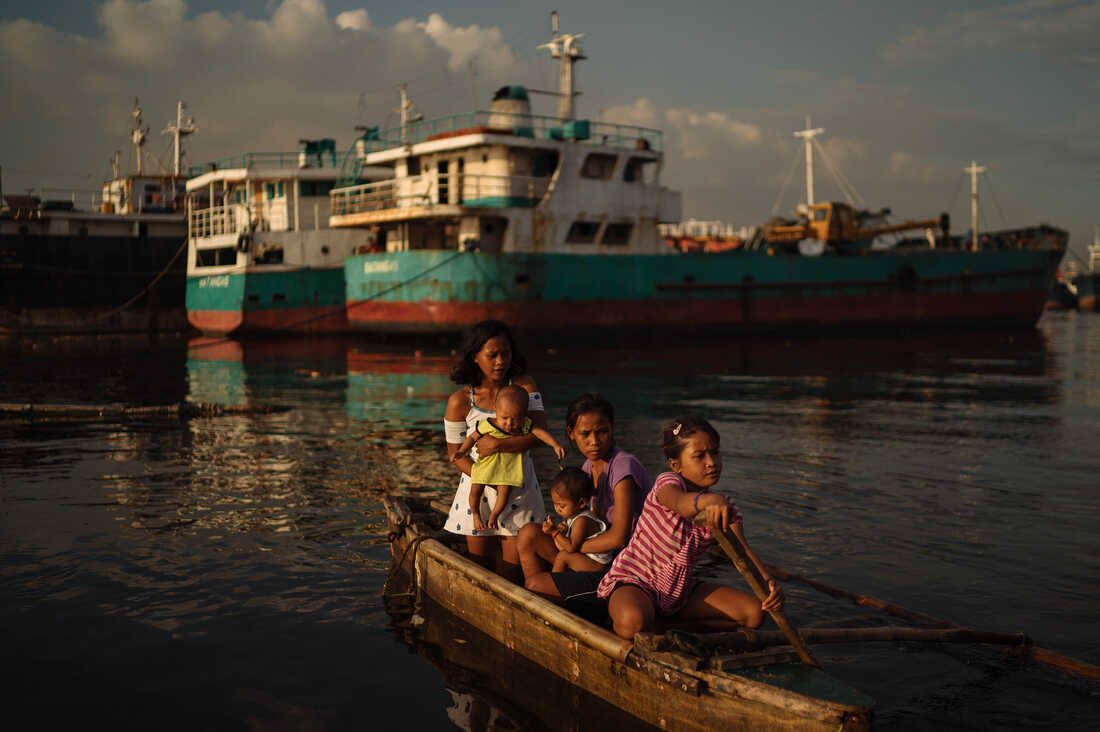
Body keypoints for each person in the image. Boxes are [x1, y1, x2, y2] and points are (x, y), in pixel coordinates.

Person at [597, 415, 784, 639]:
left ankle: (664, 627)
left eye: (714, 453)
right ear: (676, 465)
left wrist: (768, 585)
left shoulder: (724, 507)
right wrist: (706, 502)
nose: (711, 462)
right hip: (636, 581)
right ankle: (642, 622)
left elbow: (741, 554)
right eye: (699, 456)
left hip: (678, 591)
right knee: (633, 623)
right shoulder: (668, 483)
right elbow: (679, 503)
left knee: (754, 614)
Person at [518, 393, 652, 609]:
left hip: (621, 566)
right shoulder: (587, 468)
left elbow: (618, 538)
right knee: (528, 534)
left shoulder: (623, 468)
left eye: (602, 432)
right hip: (594, 555)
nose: (594, 441)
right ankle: (552, 598)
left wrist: (572, 548)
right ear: (571, 434)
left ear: (612, 428)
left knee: (535, 584)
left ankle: (551, 599)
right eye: (585, 434)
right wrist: (563, 532)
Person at [443, 320, 549, 581]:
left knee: (512, 571)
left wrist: (499, 445)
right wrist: (486, 478)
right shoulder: (459, 401)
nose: (501, 361)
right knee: (480, 567)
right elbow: (455, 455)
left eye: (506, 353)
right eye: (493, 355)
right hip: (478, 491)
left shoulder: (525, 387)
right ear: (475, 357)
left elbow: (539, 434)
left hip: (520, 489)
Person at [451, 384, 566, 533]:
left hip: (506, 472)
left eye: (515, 419)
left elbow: (541, 433)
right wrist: (461, 451)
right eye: (504, 418)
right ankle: (476, 514)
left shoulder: (524, 425)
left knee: (504, 494)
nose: (509, 423)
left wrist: (555, 445)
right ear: (496, 410)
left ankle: (494, 516)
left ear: (524, 415)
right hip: (484, 468)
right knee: (475, 491)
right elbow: (472, 438)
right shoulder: (488, 424)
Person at [542, 467, 615, 572]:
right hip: (586, 558)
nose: (557, 509)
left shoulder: (582, 521)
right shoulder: (572, 517)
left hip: (598, 565)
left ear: (581, 503)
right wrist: (561, 533)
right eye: (555, 504)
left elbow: (571, 548)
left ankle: (554, 583)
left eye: (561, 505)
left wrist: (555, 532)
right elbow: (563, 546)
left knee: (563, 556)